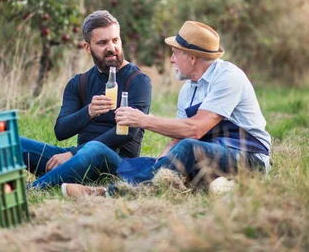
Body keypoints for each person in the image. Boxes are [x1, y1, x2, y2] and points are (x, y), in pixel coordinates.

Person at [61, 20, 271, 197]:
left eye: (175, 53)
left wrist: (143, 120)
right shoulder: (188, 89)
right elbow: (177, 140)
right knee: (149, 163)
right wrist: (162, 161)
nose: (171, 60)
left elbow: (194, 130)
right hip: (211, 156)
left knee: (190, 148)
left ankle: (108, 194)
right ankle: (217, 185)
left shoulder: (228, 77)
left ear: (191, 57)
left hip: (249, 157)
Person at [20, 10, 152, 188]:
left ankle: (34, 189)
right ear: (88, 47)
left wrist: (74, 153)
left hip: (116, 164)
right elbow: (61, 131)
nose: (112, 48)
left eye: (115, 40)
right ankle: (65, 176)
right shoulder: (78, 82)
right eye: (102, 43)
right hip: (76, 159)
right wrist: (88, 112)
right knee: (12, 143)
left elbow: (127, 132)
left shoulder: (138, 81)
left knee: (94, 150)